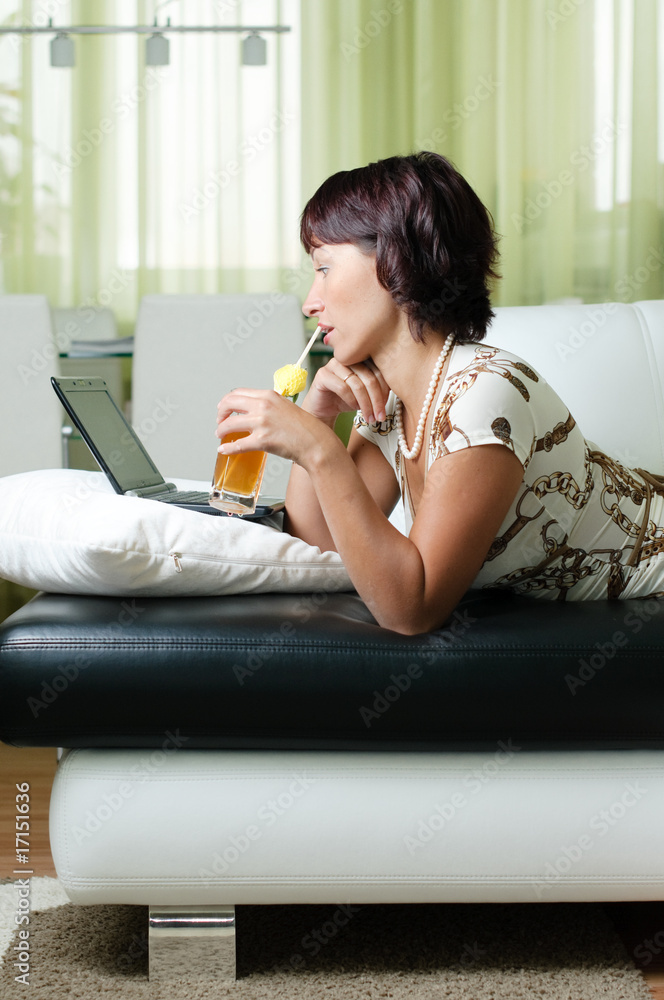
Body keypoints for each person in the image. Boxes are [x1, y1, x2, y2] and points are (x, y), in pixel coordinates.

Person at [216, 151, 664, 635]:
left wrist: (319, 449)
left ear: (395, 261)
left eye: (323, 268)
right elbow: (319, 549)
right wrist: (318, 418)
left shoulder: (484, 395)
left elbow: (412, 611)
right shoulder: (392, 400)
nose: (310, 303)